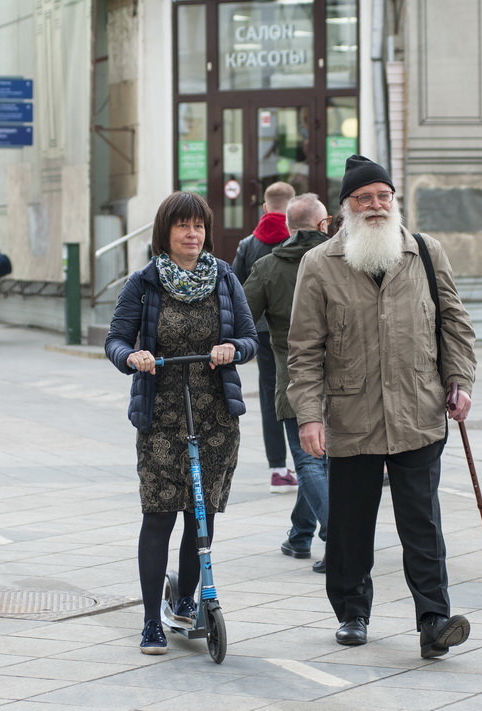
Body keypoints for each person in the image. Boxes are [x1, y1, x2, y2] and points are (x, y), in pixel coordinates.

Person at [287, 155, 476, 658]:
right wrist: (308, 415)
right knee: (351, 525)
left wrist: (460, 379)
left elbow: (454, 324)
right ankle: (352, 611)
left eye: (382, 196)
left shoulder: (426, 253)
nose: (375, 205)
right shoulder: (319, 264)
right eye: (363, 198)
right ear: (346, 207)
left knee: (423, 522)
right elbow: (304, 349)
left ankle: (434, 619)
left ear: (394, 200)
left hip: (418, 411)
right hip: (352, 417)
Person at [105, 191, 258, 654]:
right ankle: (151, 619)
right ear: (166, 232)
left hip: (214, 414)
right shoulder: (144, 283)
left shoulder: (225, 278)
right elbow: (115, 341)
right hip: (162, 415)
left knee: (201, 517)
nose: (192, 234)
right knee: (158, 517)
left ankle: (187, 601)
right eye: (183, 226)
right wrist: (134, 356)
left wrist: (233, 349)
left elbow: (250, 337)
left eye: (199, 226)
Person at [243, 193, 331, 573]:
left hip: (293, 375)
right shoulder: (343, 260)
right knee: (323, 463)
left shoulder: (267, 267)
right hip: (346, 379)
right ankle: (300, 534)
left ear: (289, 227)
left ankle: (337, 535)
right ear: (323, 224)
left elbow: (244, 319)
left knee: (310, 463)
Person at [232, 181, 297, 494]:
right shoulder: (299, 240)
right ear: (292, 204)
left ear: (265, 207)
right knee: (304, 393)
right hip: (297, 331)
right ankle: (308, 459)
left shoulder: (248, 244)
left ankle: (277, 469)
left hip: (261, 332)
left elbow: (237, 288)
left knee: (272, 396)